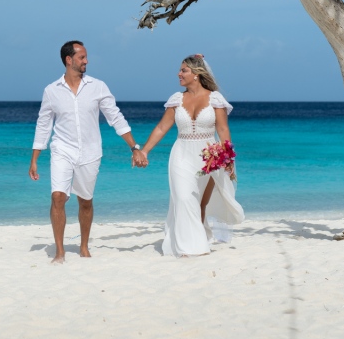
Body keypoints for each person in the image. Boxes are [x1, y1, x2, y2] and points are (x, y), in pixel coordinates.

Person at [29, 40, 145, 264]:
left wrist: (134, 147)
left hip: (90, 152)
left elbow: (115, 118)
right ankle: (60, 252)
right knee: (58, 197)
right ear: (68, 60)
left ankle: (83, 246)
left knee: (85, 201)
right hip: (62, 149)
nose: (86, 61)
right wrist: (35, 158)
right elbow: (43, 126)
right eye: (82, 57)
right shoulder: (51, 91)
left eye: (85, 57)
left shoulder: (98, 86)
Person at [137, 54, 244, 257]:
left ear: (196, 74)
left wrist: (228, 157)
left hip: (209, 157)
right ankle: (190, 248)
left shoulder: (215, 99)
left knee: (199, 203)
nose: (179, 74)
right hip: (181, 154)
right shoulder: (177, 99)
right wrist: (144, 150)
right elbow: (161, 127)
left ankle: (198, 237)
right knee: (184, 198)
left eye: (183, 70)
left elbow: (222, 130)